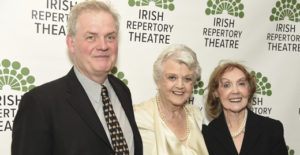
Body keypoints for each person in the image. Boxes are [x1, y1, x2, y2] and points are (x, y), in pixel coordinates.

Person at [11, 1, 143, 155]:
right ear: (71, 43)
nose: (103, 45)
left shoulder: (122, 90)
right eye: (91, 37)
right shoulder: (40, 104)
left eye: (110, 37)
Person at [133, 44, 209, 155]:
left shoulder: (196, 115)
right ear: (158, 80)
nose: (180, 85)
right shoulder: (138, 116)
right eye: (172, 77)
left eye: (187, 79)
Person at [202, 61, 288, 155]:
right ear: (216, 92)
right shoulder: (207, 135)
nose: (235, 91)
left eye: (241, 83)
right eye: (227, 85)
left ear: (249, 89)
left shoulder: (272, 129)